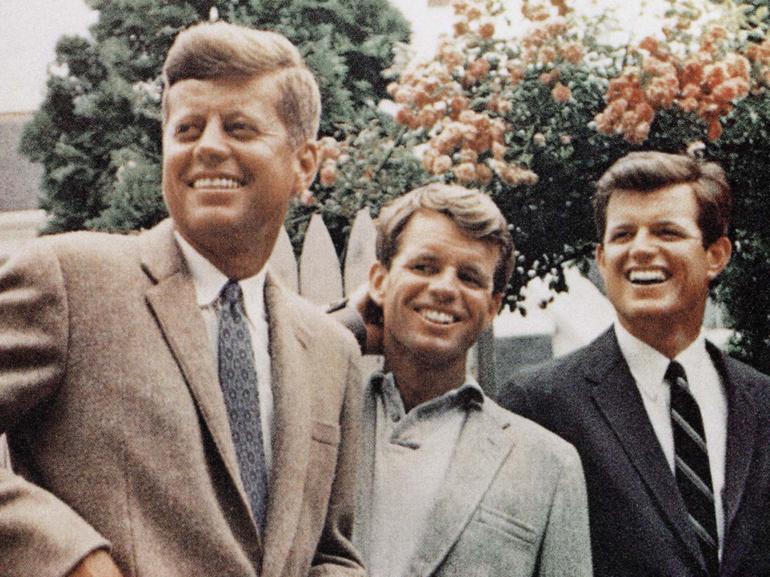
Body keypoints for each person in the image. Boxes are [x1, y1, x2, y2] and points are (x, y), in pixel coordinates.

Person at [0, 21, 364, 577]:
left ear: (304, 164)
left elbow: (332, 553)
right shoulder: (69, 280)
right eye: (189, 128)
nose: (209, 147)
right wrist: (68, 555)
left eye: (239, 128)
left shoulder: (333, 353)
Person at [499, 151, 770, 577]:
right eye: (624, 235)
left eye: (666, 231)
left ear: (716, 255)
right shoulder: (539, 405)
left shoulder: (763, 403)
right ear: (603, 259)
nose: (641, 249)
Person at [345, 183, 592, 577]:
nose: (444, 288)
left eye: (470, 277)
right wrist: (347, 328)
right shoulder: (322, 421)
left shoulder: (549, 464)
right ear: (379, 281)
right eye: (423, 266)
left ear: (492, 306)